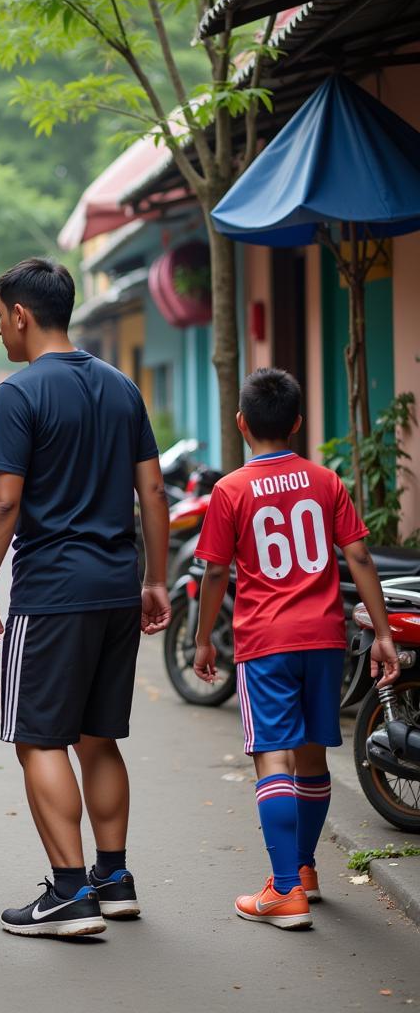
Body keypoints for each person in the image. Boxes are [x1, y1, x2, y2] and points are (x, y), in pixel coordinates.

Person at [0, 257, 171, 938]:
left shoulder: (19, 392)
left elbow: (2, 500)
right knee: (98, 736)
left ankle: (67, 892)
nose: (0, 330)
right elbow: (153, 492)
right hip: (118, 586)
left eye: (0, 317)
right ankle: (112, 879)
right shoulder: (121, 388)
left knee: (38, 738)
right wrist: (154, 580)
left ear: (21, 314)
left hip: (53, 591)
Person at [193, 368, 399, 930]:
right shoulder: (325, 481)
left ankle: (285, 891)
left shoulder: (230, 490)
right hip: (325, 639)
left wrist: (202, 638)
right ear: (298, 423)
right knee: (311, 758)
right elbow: (359, 557)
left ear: (241, 424)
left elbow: (214, 572)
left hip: (265, 641)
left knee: (272, 758)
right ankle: (303, 870)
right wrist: (382, 634)